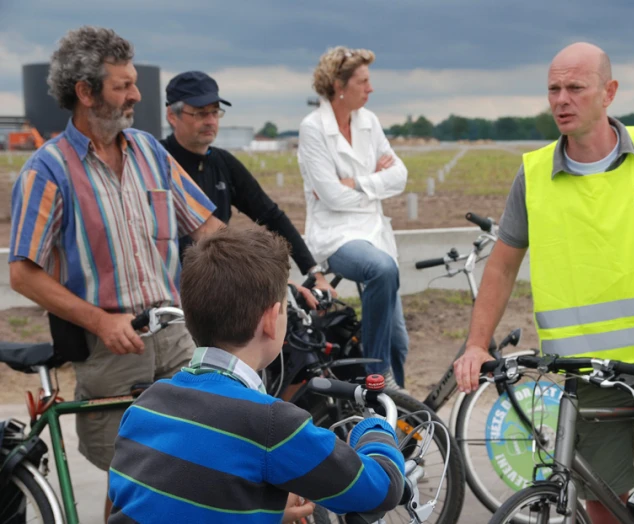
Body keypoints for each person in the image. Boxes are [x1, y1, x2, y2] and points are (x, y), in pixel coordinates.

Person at [454, 42, 634, 524]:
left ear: (609, 93)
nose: (562, 99)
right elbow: (500, 267)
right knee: (604, 505)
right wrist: (477, 345)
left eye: (576, 88)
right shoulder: (534, 174)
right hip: (592, 370)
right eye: (554, 89)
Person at [8, 26, 223, 522]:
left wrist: (263, 271)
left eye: (133, 83)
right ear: (86, 93)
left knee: (194, 457)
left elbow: (208, 226)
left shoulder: (149, 151)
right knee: (131, 474)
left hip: (174, 336)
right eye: (123, 85)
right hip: (112, 348)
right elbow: (22, 274)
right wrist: (101, 321)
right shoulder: (48, 170)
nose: (136, 94)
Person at [108, 227, 405, 523]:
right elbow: (383, 489)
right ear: (270, 321)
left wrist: (266, 511)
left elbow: (185, 502)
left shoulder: (145, 405)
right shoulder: (273, 424)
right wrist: (374, 428)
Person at [160, 71, 335, 305]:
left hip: (219, 281)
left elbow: (271, 216)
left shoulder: (223, 163)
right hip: (170, 289)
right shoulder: (157, 161)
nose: (211, 120)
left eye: (215, 112)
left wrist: (313, 272)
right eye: (200, 113)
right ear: (172, 115)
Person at [297, 46, 409, 390]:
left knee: (399, 343)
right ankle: (374, 375)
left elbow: (400, 176)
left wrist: (358, 183)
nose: (370, 89)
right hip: (336, 235)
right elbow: (330, 196)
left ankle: (397, 424)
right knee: (382, 268)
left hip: (372, 231)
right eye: (363, 81)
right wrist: (374, 183)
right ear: (338, 85)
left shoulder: (369, 122)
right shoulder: (313, 128)